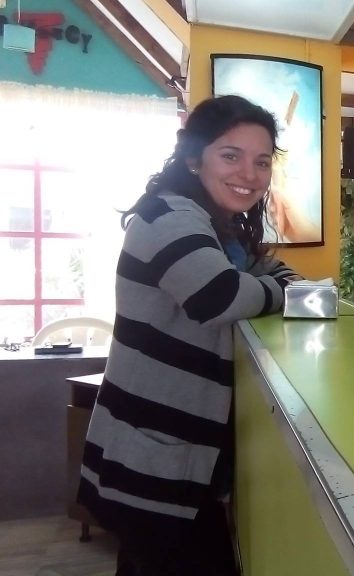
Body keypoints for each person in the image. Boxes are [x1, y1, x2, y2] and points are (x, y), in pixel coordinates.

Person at [77, 95, 302, 575]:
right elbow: (218, 295)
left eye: (262, 162)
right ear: (194, 157)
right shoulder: (169, 215)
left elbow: (264, 269)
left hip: (171, 459)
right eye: (231, 155)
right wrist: (284, 293)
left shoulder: (216, 228)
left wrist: (274, 283)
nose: (249, 174)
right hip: (151, 462)